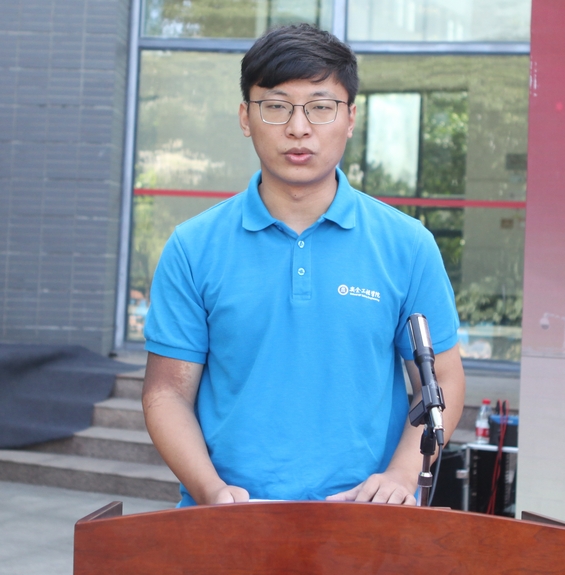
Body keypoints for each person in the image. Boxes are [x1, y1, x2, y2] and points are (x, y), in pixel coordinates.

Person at [142, 23, 465, 507]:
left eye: (320, 106)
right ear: (246, 117)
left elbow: (442, 381)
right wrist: (212, 492)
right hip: (230, 521)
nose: (298, 127)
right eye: (276, 106)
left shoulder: (407, 245)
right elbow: (167, 393)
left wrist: (400, 476)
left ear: (350, 118)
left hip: (368, 519)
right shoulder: (193, 247)